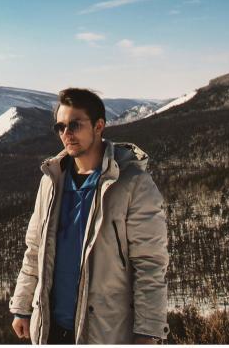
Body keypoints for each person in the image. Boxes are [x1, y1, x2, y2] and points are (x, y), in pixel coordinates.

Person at [9, 87, 170, 345]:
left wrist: (148, 332)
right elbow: (35, 249)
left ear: (99, 126)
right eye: (60, 127)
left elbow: (149, 263)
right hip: (50, 328)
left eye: (75, 125)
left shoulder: (132, 184)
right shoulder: (51, 181)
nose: (66, 134)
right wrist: (22, 306)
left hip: (104, 331)